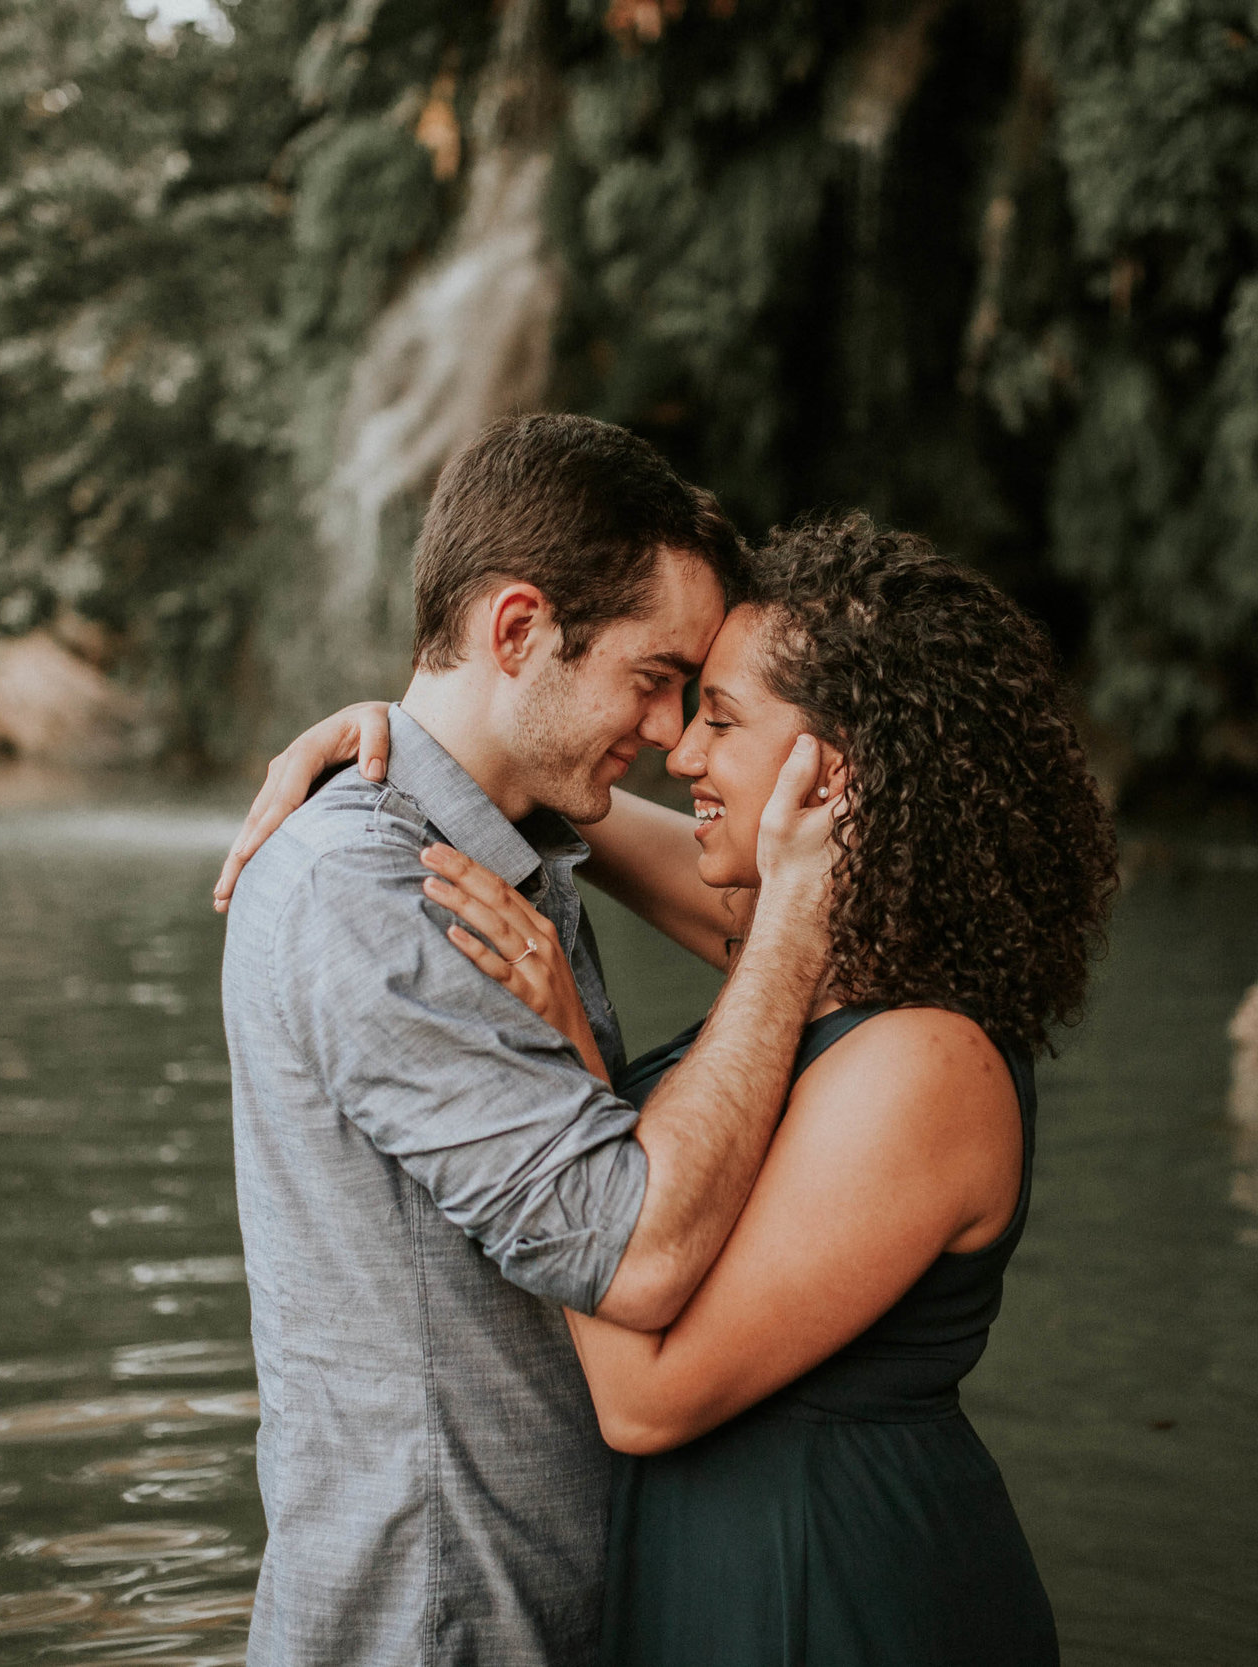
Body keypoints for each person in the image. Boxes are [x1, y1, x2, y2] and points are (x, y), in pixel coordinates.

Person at [225, 515, 1119, 1666]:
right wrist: (420, 739)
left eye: (721, 717)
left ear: (830, 770)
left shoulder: (924, 1060)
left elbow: (643, 1397)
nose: (680, 749)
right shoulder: (815, 953)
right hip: (708, 1561)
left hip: (826, 1580)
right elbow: (577, 816)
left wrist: (576, 1061)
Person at [217, 413, 845, 1667]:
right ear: (518, 631)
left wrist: (426, 742)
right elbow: (639, 1258)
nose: (671, 734)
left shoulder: (507, 849)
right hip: (437, 1617)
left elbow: (784, 910)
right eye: (653, 677)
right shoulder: (375, 894)